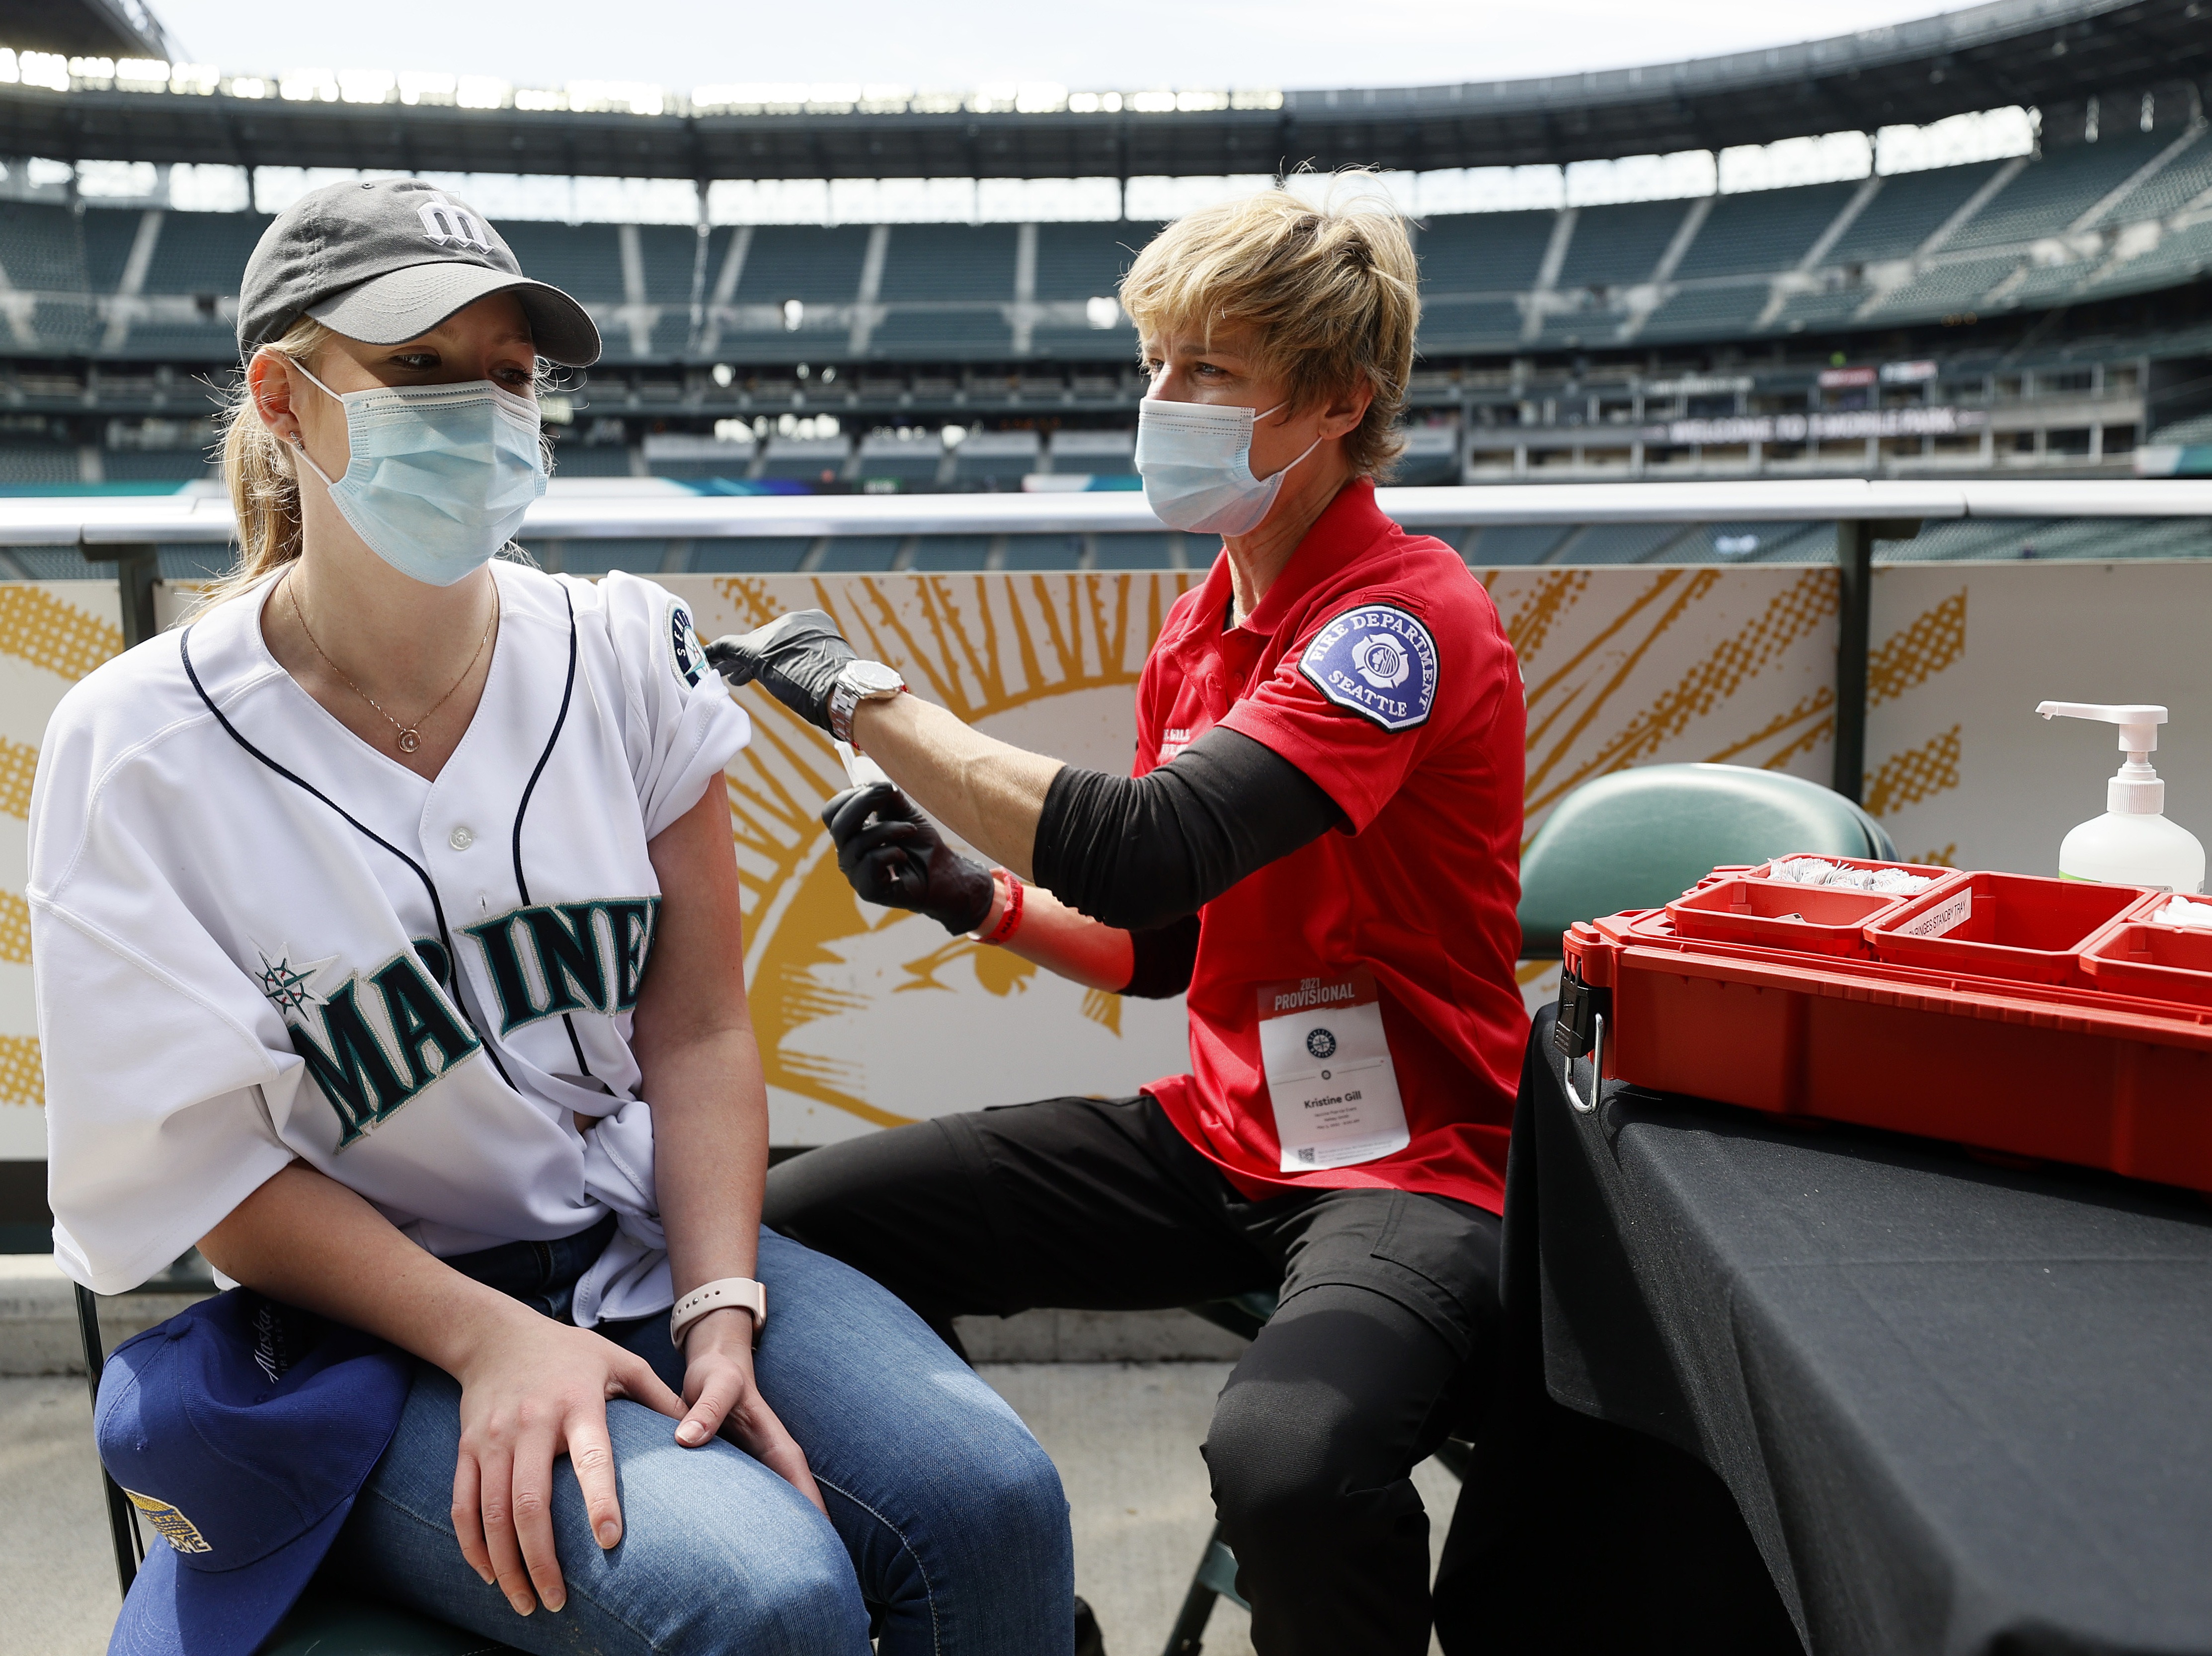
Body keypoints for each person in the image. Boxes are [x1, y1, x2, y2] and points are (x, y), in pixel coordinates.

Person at [30, 178, 1071, 1656]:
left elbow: (700, 1023)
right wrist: (488, 1339)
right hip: (370, 1334)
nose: (476, 410)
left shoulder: (625, 647)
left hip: (641, 1241)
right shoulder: (135, 742)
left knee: (994, 1506)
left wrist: (721, 1296)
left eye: (508, 375)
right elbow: (202, 1176)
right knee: (762, 1599)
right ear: (282, 397)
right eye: (417, 369)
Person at [723, 184, 1530, 1656]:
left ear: (1340, 401)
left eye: (1210, 371)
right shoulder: (1205, 622)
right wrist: (976, 901)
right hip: (1222, 1132)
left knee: (1286, 1463)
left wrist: (859, 694)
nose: (1162, 402)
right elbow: (1172, 947)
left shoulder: (1393, 624)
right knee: (787, 1239)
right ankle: (1024, 1623)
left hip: (1417, 1168)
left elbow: (1149, 850)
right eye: (1156, 365)